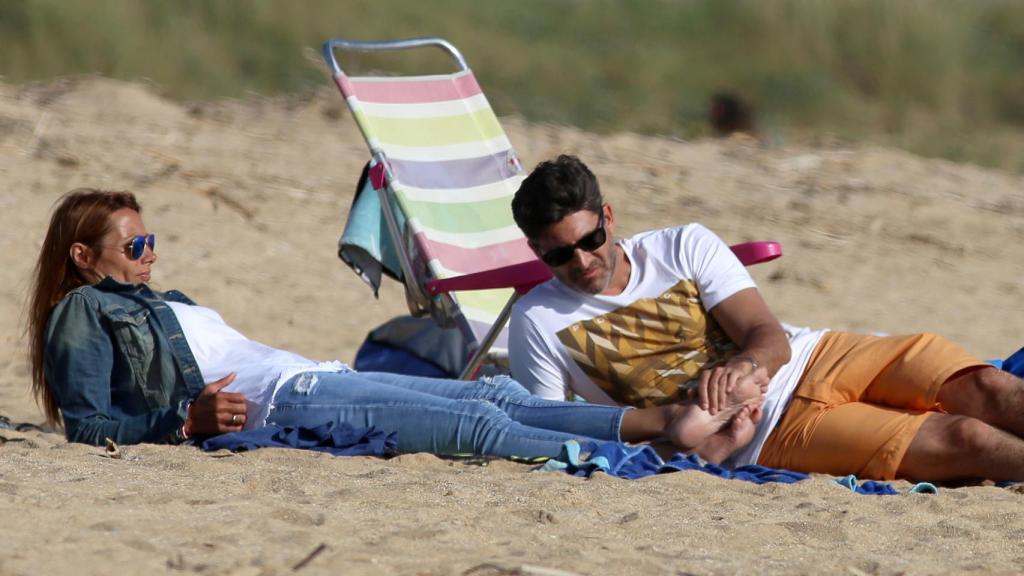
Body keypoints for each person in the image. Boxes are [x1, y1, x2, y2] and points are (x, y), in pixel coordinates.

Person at [26, 188, 762, 462]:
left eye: (151, 240)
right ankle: (645, 436)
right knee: (474, 430)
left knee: (490, 398)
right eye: (135, 246)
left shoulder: (163, 301)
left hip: (314, 376)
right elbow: (89, 425)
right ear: (84, 255)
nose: (151, 255)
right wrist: (182, 420)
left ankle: (661, 421)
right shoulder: (82, 312)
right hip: (289, 405)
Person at [508, 154, 1024, 482]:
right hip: (771, 431)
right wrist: (697, 445)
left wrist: (744, 364)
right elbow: (560, 438)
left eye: (590, 241)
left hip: (818, 354)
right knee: (965, 439)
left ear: (609, 218)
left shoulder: (683, 244)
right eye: (558, 255)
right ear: (535, 251)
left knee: (991, 391)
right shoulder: (537, 321)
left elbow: (769, 338)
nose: (582, 262)